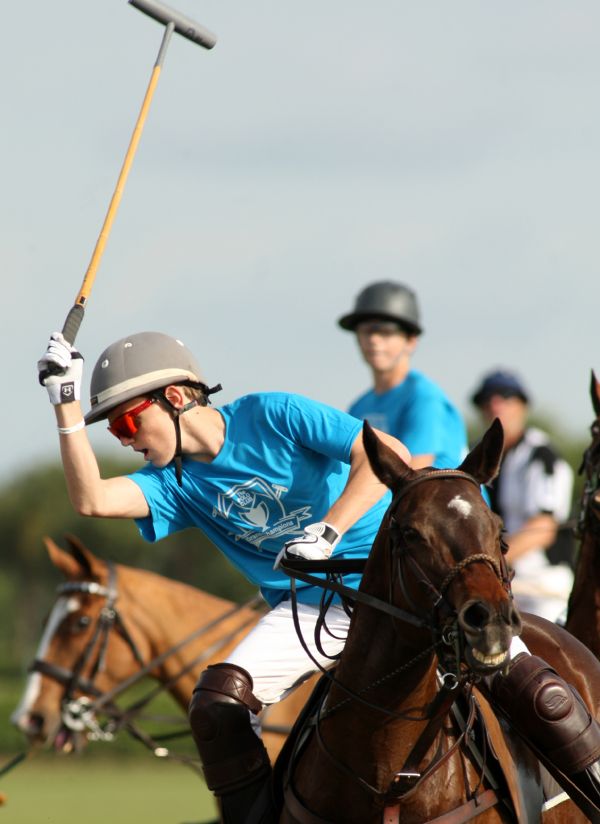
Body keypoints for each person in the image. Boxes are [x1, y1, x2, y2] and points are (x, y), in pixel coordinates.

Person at [38, 331, 600, 823]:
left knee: (539, 690)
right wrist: (65, 406)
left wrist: (328, 531)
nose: (125, 439)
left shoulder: (272, 414)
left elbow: (384, 454)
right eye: (115, 431)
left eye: (128, 421)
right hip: (313, 609)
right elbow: (92, 500)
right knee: (216, 705)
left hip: (405, 587)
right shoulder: (174, 484)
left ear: (178, 398)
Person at [470, 369, 575, 624]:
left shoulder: (542, 456)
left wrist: (489, 563)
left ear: (523, 406)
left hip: (542, 584)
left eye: (506, 397)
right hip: (501, 581)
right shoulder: (476, 456)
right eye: (487, 399)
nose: (495, 405)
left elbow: (544, 528)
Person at [338, 280, 467, 469]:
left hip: (434, 489)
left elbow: (413, 473)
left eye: (385, 332)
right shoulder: (359, 406)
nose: (374, 340)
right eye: (365, 331)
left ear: (411, 341)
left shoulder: (424, 397)